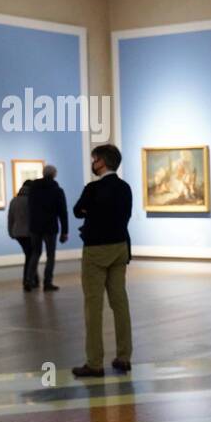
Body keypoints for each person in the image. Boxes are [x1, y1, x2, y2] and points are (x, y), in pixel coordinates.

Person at [72, 144, 132, 378]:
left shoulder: (92, 189)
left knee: (93, 307)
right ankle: (124, 356)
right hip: (120, 247)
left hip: (96, 250)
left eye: (94, 159)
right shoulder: (125, 188)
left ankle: (95, 362)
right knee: (120, 303)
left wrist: (91, 213)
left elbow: (78, 210)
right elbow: (123, 215)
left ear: (101, 162)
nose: (92, 163)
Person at [29, 165, 69, 291]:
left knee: (35, 253)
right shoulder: (57, 190)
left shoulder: (33, 189)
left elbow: (29, 207)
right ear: (54, 175)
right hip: (50, 227)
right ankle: (47, 283)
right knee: (50, 255)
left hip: (35, 227)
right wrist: (65, 231)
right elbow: (63, 212)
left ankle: (29, 280)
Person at [7, 181, 36, 291]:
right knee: (30, 256)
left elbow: (10, 218)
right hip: (29, 232)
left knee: (30, 255)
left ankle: (33, 279)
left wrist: (10, 232)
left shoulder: (14, 201)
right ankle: (27, 280)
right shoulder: (31, 200)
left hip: (17, 232)